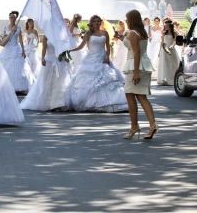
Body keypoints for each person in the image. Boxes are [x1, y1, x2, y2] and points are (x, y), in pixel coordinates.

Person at [67, 15, 127, 112]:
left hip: (102, 58)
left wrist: (107, 57)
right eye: (95, 21)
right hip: (90, 59)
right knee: (89, 81)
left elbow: (108, 47)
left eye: (98, 21)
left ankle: (109, 102)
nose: (97, 23)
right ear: (92, 23)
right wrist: (70, 50)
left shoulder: (105, 33)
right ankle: (90, 103)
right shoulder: (88, 33)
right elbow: (81, 46)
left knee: (107, 80)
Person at [123, 9, 158, 140]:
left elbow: (136, 52)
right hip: (144, 64)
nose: (126, 20)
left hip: (135, 66)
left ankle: (134, 126)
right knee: (142, 97)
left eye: (127, 18)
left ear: (131, 19)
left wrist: (136, 72)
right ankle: (152, 125)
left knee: (130, 95)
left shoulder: (133, 33)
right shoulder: (141, 32)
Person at [20, 35, 73, 111]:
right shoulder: (46, 36)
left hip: (60, 61)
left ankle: (58, 104)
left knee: (59, 83)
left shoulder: (60, 34)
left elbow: (64, 48)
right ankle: (48, 103)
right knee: (46, 82)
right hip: (49, 61)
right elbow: (44, 48)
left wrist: (66, 57)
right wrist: (42, 58)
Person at [0, 11, 35, 93]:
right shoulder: (5, 27)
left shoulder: (18, 28)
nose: (12, 18)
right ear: (9, 18)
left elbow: (21, 39)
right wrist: (4, 36)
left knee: (18, 68)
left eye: (13, 17)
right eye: (10, 17)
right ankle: (5, 86)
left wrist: (23, 50)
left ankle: (18, 88)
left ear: (15, 18)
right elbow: (4, 38)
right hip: (7, 49)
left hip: (16, 48)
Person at [157, 20, 180, 86]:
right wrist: (159, 51)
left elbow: (175, 41)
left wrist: (172, 46)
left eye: (167, 26)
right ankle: (164, 79)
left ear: (170, 26)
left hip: (171, 49)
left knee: (172, 64)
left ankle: (172, 79)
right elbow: (162, 42)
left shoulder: (175, 33)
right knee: (164, 64)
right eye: (165, 26)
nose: (165, 27)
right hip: (164, 49)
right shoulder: (163, 33)